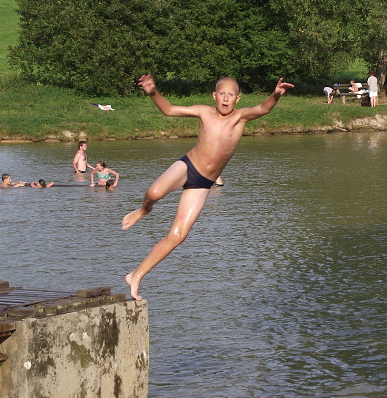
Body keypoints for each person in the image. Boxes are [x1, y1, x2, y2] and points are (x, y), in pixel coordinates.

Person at [122, 74, 294, 301]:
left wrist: (276, 95)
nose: (226, 98)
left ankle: (136, 275)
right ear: (214, 96)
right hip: (188, 167)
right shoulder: (204, 112)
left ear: (238, 99)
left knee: (178, 235)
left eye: (230, 95)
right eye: (222, 94)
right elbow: (169, 110)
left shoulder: (240, 117)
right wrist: (153, 92)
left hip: (203, 184)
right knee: (154, 193)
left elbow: (263, 108)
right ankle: (144, 209)